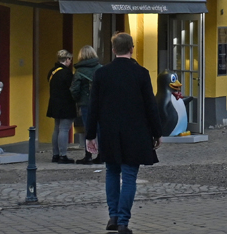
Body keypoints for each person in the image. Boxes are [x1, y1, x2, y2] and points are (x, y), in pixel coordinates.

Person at [85, 33, 162, 234]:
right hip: (135, 133)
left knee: (111, 172)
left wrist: (90, 135)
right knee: (129, 176)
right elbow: (150, 107)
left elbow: (93, 107)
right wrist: (157, 132)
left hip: (109, 132)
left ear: (113, 49)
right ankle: (123, 222)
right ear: (132, 48)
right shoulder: (141, 73)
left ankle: (113, 216)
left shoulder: (101, 74)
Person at [69, 45, 101, 164]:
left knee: (88, 128)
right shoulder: (100, 68)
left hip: (86, 103)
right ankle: (101, 155)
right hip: (100, 103)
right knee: (100, 128)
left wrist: (78, 100)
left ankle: (88, 155)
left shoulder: (79, 71)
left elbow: (74, 89)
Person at [45, 50, 76, 164]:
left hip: (54, 103)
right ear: (67, 59)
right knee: (64, 129)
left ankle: (55, 154)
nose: (70, 62)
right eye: (70, 60)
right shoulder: (66, 73)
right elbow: (72, 88)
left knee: (56, 128)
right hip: (66, 104)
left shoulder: (52, 72)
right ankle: (63, 155)